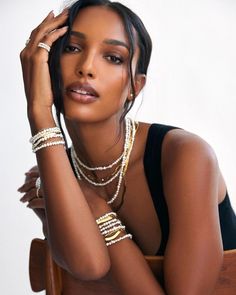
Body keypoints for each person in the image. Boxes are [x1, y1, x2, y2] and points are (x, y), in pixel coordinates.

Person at [18, 0, 236, 294]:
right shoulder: (57, 169)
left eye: (113, 57)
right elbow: (89, 266)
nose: (86, 68)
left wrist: (92, 204)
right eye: (71, 48)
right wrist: (39, 112)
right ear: (46, 65)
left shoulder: (185, 156)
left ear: (135, 85)